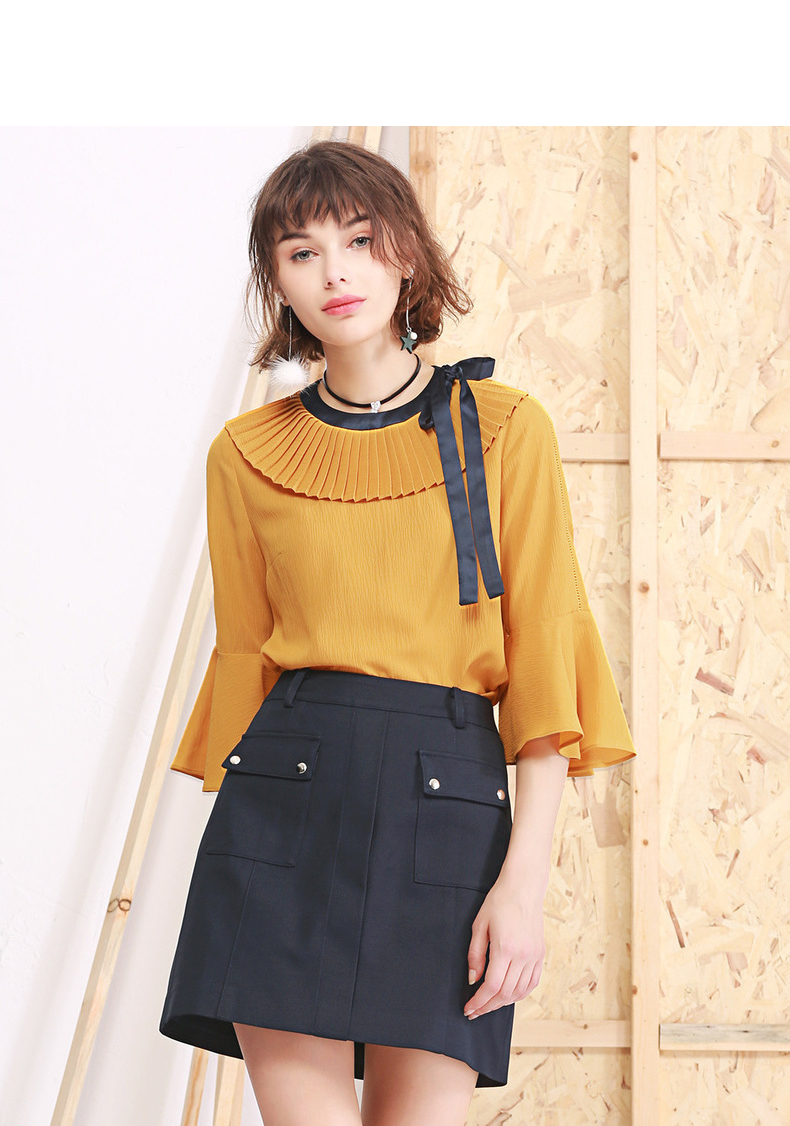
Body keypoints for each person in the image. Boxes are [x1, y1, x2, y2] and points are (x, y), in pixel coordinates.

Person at [159, 139, 637, 1126]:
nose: (334, 272)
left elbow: (544, 666)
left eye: (359, 240)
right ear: (277, 282)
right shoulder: (246, 454)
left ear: (407, 254)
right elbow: (245, 654)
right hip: (283, 810)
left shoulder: (504, 428)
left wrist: (524, 885)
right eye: (301, 252)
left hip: (447, 811)